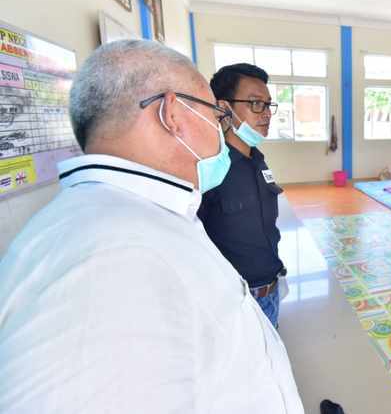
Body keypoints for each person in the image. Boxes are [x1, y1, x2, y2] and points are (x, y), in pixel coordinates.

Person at [0, 40, 304, 413]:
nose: (220, 126)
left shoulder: (143, 213)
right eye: (214, 112)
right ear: (173, 114)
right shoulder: (105, 260)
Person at [198, 63, 286, 327]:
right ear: (224, 108)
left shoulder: (258, 160)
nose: (266, 113)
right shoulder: (209, 170)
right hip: (235, 303)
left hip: (270, 290)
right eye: (256, 103)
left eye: (268, 104)